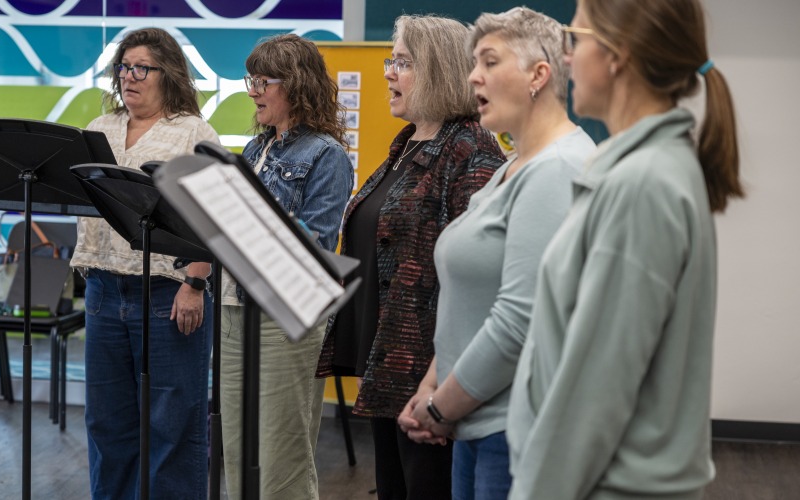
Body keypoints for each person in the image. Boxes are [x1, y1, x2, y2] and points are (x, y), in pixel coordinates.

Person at [505, 0, 745, 498]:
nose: (567, 57)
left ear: (619, 55)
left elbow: (594, 394)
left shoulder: (643, 185)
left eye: (577, 36)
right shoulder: (641, 171)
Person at [394, 8, 596, 499]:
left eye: (489, 61)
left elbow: (519, 318)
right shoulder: (513, 166)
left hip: (515, 427)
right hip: (476, 420)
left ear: (538, 75)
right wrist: (430, 385)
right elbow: (470, 299)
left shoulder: (557, 169)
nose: (473, 76)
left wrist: (440, 408)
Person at [316, 15, 505, 500]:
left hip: (430, 372)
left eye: (402, 62)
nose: (387, 72)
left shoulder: (471, 149)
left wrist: (442, 383)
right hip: (386, 364)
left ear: (439, 70)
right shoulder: (407, 144)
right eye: (390, 60)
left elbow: (479, 278)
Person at [70, 27, 220, 499]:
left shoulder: (193, 131)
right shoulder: (99, 131)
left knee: (172, 427)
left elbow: (214, 216)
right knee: (108, 424)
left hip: (166, 294)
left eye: (142, 68)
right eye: (124, 67)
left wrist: (195, 282)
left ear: (168, 74)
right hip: (102, 290)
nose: (130, 77)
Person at [218, 34, 353, 500]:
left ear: (296, 85)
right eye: (249, 79)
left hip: (286, 320)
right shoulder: (256, 151)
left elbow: (314, 244)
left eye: (262, 80)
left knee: (281, 460)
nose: (252, 90)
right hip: (234, 311)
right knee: (237, 453)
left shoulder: (326, 154)